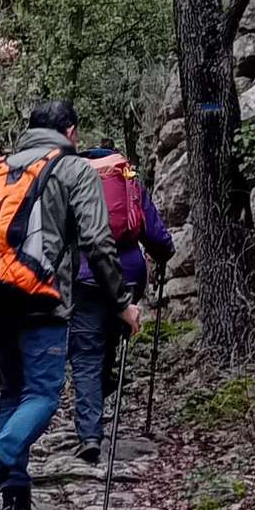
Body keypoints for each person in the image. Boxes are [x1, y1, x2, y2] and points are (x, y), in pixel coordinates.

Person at [0, 99, 133, 510]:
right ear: (70, 132)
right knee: (42, 396)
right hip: (41, 303)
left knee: (12, 395)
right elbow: (97, 243)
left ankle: (15, 501)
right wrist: (122, 303)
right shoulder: (75, 171)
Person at [68, 147, 174, 462]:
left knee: (86, 354)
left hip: (84, 276)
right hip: (128, 274)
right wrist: (163, 253)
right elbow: (156, 235)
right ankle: (105, 381)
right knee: (110, 337)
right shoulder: (128, 180)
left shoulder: (71, 180)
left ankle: (89, 434)